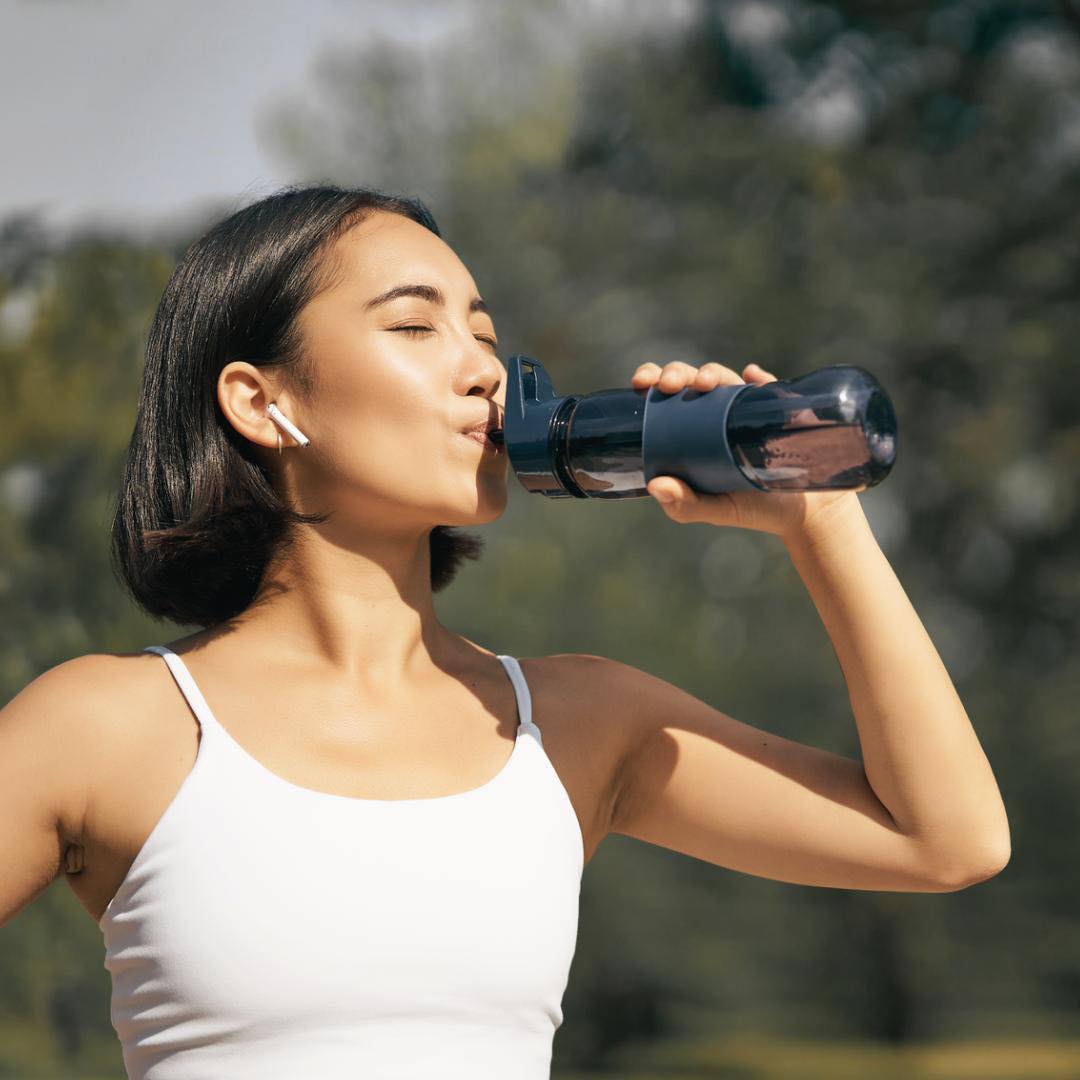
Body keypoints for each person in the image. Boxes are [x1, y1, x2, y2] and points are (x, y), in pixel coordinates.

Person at [0, 183, 1011, 1078]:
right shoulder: (107, 728)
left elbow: (943, 839)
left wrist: (817, 520)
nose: (485, 371)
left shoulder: (575, 721)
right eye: (414, 328)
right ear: (264, 403)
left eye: (484, 332)